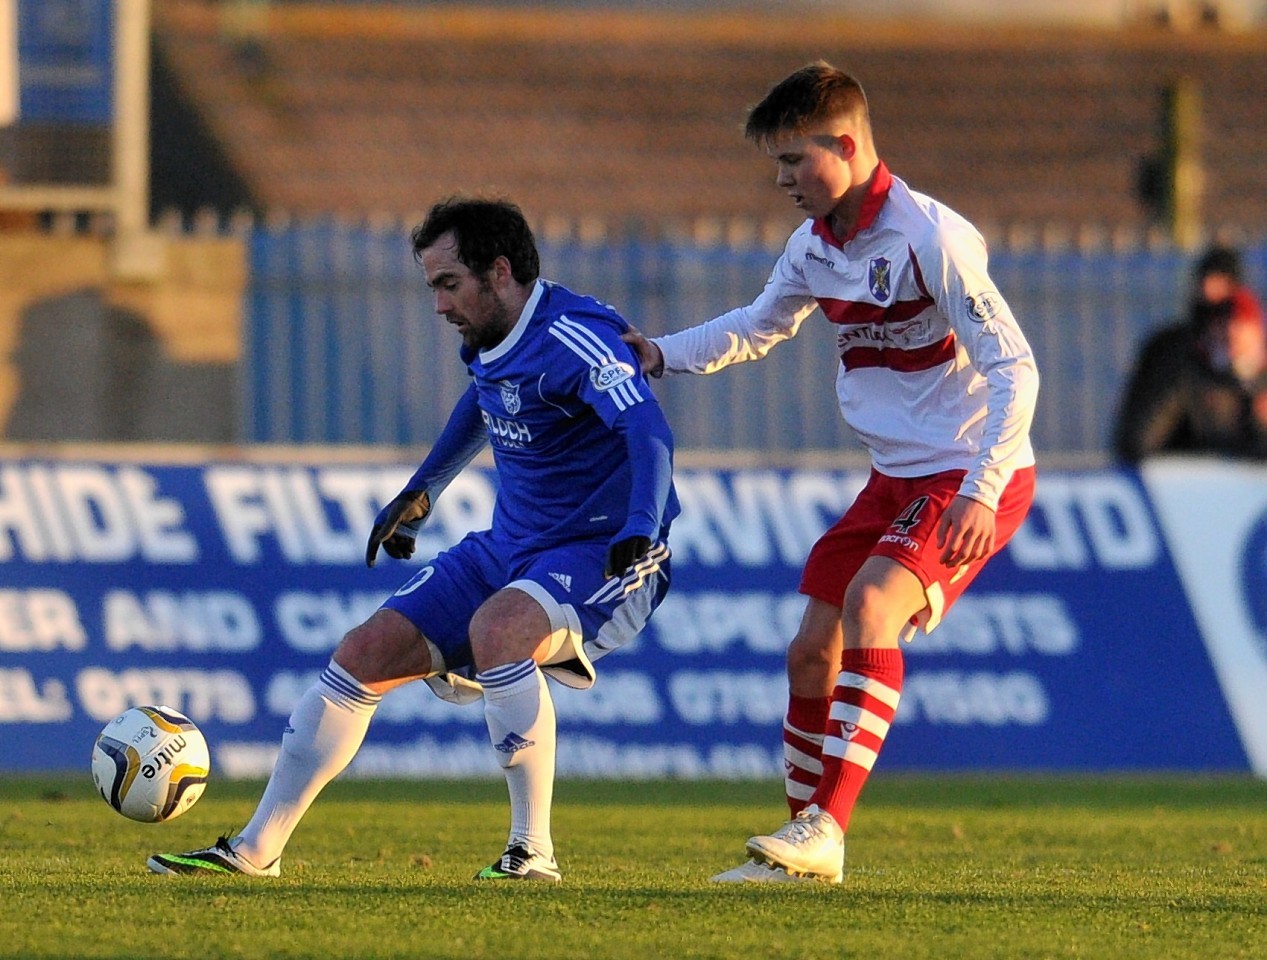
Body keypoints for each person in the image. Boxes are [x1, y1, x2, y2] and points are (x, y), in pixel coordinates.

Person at [148, 197, 680, 882]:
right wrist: (424, 487)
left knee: (500, 631)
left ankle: (531, 852)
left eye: (446, 283)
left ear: (498, 272)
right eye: (431, 284)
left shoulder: (577, 333)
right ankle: (255, 850)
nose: (437, 303)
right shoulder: (493, 341)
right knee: (363, 652)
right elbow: (485, 399)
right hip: (509, 545)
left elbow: (649, 432)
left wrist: (640, 525)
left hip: (604, 548)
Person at [624, 61, 1038, 883]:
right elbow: (756, 325)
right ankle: (799, 847)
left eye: (792, 162)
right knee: (811, 651)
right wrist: (659, 355)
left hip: (963, 474)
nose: (780, 180)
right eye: (774, 164)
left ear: (845, 147)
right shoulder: (813, 246)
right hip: (892, 477)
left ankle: (826, 828)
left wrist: (980, 492)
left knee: (871, 604)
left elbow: (1016, 369)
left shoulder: (931, 238)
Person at [1114, 244, 1267, 461]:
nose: (1209, 291)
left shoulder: (1254, 382)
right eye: (1225, 327)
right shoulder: (1175, 356)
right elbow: (1137, 440)